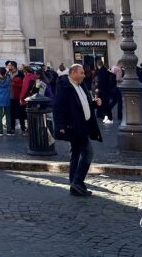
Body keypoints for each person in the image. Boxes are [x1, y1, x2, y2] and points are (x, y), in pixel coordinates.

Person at [53, 64, 103, 197]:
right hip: (73, 126)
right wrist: (61, 126)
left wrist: (94, 103)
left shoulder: (81, 85)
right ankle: (78, 181)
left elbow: (83, 103)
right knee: (88, 153)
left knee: (75, 154)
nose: (84, 75)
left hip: (83, 125)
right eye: (81, 73)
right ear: (73, 73)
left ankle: (74, 184)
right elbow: (58, 106)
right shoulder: (64, 87)